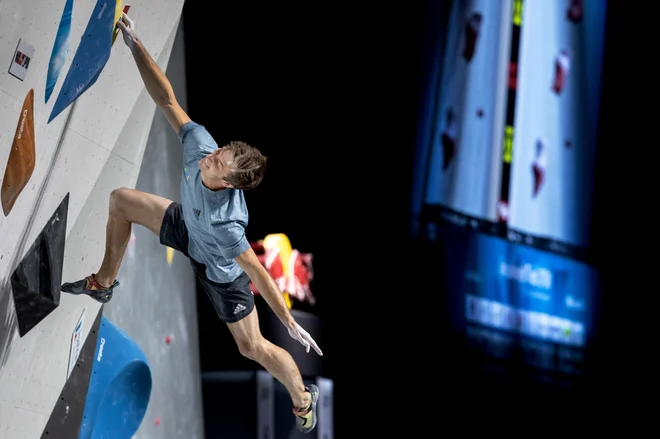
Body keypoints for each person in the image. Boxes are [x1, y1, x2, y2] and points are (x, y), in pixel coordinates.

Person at [61, 13, 322, 434]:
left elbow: (256, 271)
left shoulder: (229, 225)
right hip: (188, 227)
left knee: (251, 347)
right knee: (121, 201)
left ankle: (304, 399)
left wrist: (289, 321)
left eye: (218, 160)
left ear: (227, 181)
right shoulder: (201, 145)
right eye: (219, 149)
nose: (211, 154)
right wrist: (134, 43)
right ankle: (104, 282)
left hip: (221, 274)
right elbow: (166, 99)